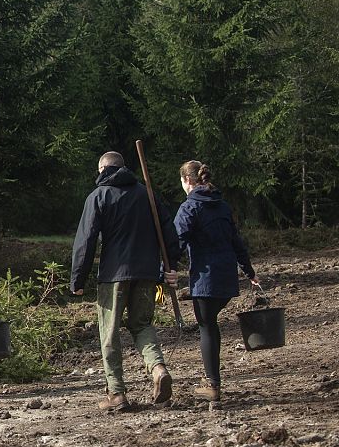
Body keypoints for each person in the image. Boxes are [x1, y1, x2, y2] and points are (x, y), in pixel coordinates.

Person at [71, 151, 180, 411]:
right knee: (141, 324)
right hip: (147, 274)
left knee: (109, 333)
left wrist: (78, 278)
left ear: (101, 170)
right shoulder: (147, 194)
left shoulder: (98, 196)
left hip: (113, 275)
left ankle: (116, 393)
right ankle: (158, 368)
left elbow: (85, 240)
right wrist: (170, 266)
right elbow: (169, 234)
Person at [174, 160, 259, 402]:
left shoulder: (189, 208)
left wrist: (164, 271)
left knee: (207, 325)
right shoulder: (222, 206)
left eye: (181, 181)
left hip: (205, 278)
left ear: (188, 181)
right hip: (226, 277)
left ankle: (212, 384)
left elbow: (177, 243)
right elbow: (236, 242)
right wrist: (249, 271)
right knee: (210, 323)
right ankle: (212, 380)